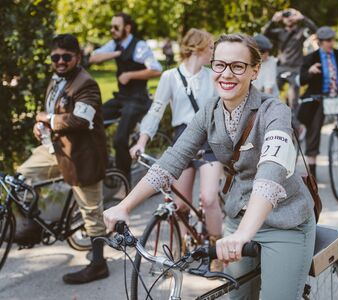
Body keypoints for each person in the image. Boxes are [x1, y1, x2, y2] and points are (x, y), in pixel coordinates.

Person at [104, 33, 316, 300]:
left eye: (238, 66)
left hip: (284, 220)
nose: (227, 74)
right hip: (239, 217)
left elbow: (270, 173)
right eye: (220, 65)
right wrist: (125, 205)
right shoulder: (210, 110)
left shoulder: (274, 111)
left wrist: (242, 236)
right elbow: (174, 158)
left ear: (255, 71)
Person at [15, 34, 109, 284]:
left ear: (77, 57)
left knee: (92, 213)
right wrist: (41, 127)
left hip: (83, 155)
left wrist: (47, 119)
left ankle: (99, 264)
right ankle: (33, 225)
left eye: (66, 57)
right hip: (56, 148)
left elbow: (81, 119)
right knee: (22, 178)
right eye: (55, 56)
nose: (60, 61)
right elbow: (53, 111)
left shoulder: (86, 84)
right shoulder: (57, 80)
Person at [129, 28, 224, 270]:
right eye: (211, 47)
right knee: (180, 205)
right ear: (198, 48)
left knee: (209, 198)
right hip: (182, 140)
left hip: (209, 140)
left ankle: (216, 251)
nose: (214, 51)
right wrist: (142, 141)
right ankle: (183, 244)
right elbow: (156, 110)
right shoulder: (170, 77)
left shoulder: (212, 76)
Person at [89, 12, 162, 180]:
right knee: (92, 120)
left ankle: (124, 181)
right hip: (121, 98)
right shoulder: (115, 44)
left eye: (116, 27)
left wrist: (130, 75)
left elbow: (156, 70)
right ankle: (107, 167)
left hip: (138, 100)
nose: (112, 30)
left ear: (127, 28)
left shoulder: (140, 46)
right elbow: (94, 57)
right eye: (111, 27)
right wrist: (116, 53)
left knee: (119, 139)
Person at [299, 26, 338, 178]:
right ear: (320, 42)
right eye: (327, 41)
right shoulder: (311, 58)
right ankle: (312, 168)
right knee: (313, 128)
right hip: (319, 98)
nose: (331, 43)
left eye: (332, 40)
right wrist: (310, 72)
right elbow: (302, 80)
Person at [262, 8, 317, 107]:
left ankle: (293, 120)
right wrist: (273, 20)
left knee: (293, 101)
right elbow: (264, 34)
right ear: (282, 20)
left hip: (296, 69)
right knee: (270, 96)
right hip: (281, 67)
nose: (289, 18)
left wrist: (302, 18)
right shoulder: (279, 32)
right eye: (286, 16)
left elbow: (315, 31)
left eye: (291, 15)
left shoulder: (301, 32)